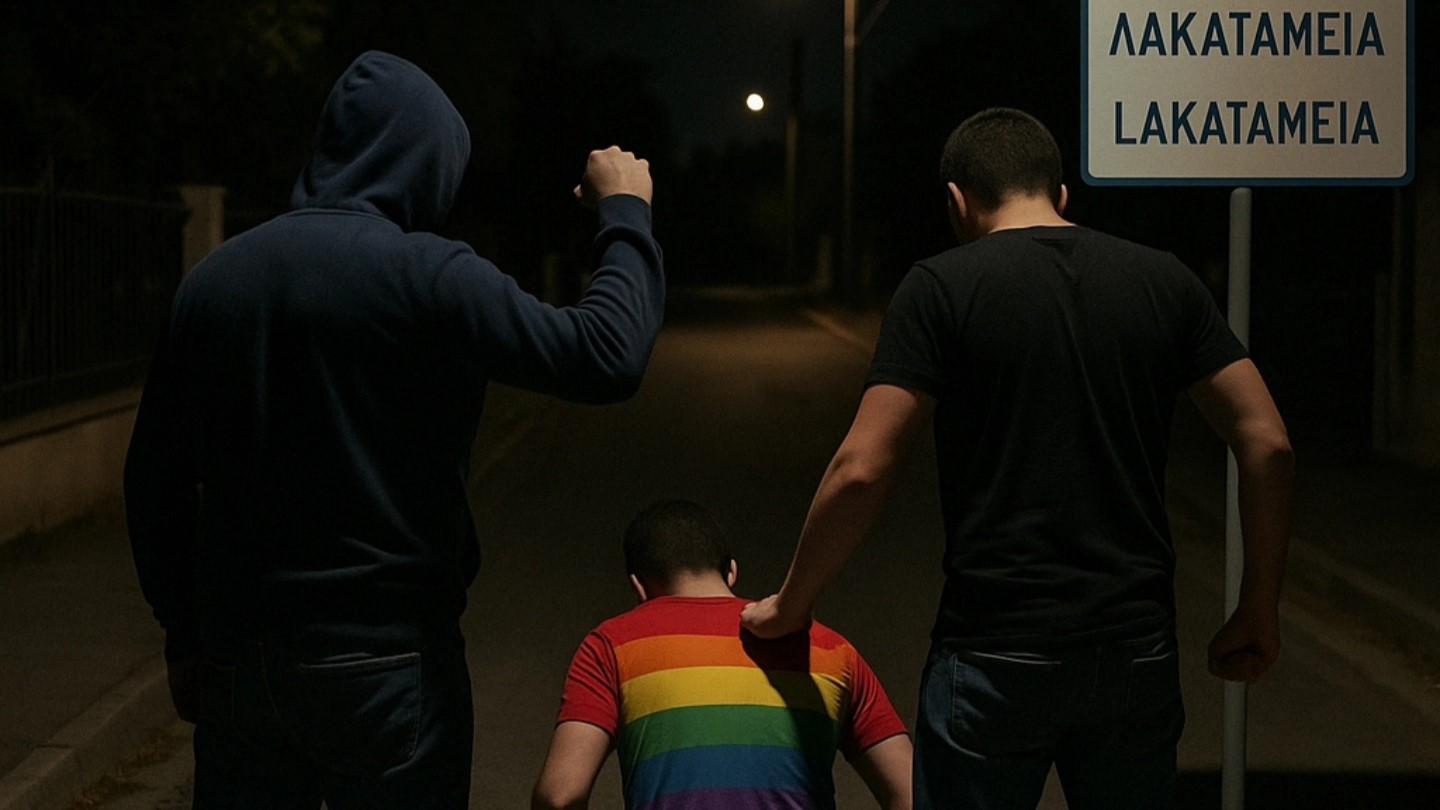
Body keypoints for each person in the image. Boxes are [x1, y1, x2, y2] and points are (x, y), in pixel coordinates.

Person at [124, 50, 664, 809]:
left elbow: (154, 480)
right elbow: (607, 353)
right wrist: (626, 213)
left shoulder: (214, 281)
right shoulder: (430, 275)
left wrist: (183, 635)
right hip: (389, 667)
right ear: (426, 166)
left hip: (242, 663)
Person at [741, 108, 1294, 809]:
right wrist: (1258, 607)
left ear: (957, 201)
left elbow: (862, 469)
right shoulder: (1164, 279)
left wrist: (791, 605)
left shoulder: (939, 288)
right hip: (1133, 650)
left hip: (991, 653)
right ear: (1060, 193)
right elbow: (1267, 442)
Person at [532, 499, 913, 810]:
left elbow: (560, 797)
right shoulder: (830, 649)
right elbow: (912, 795)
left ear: (639, 587)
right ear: (731, 572)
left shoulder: (611, 646)